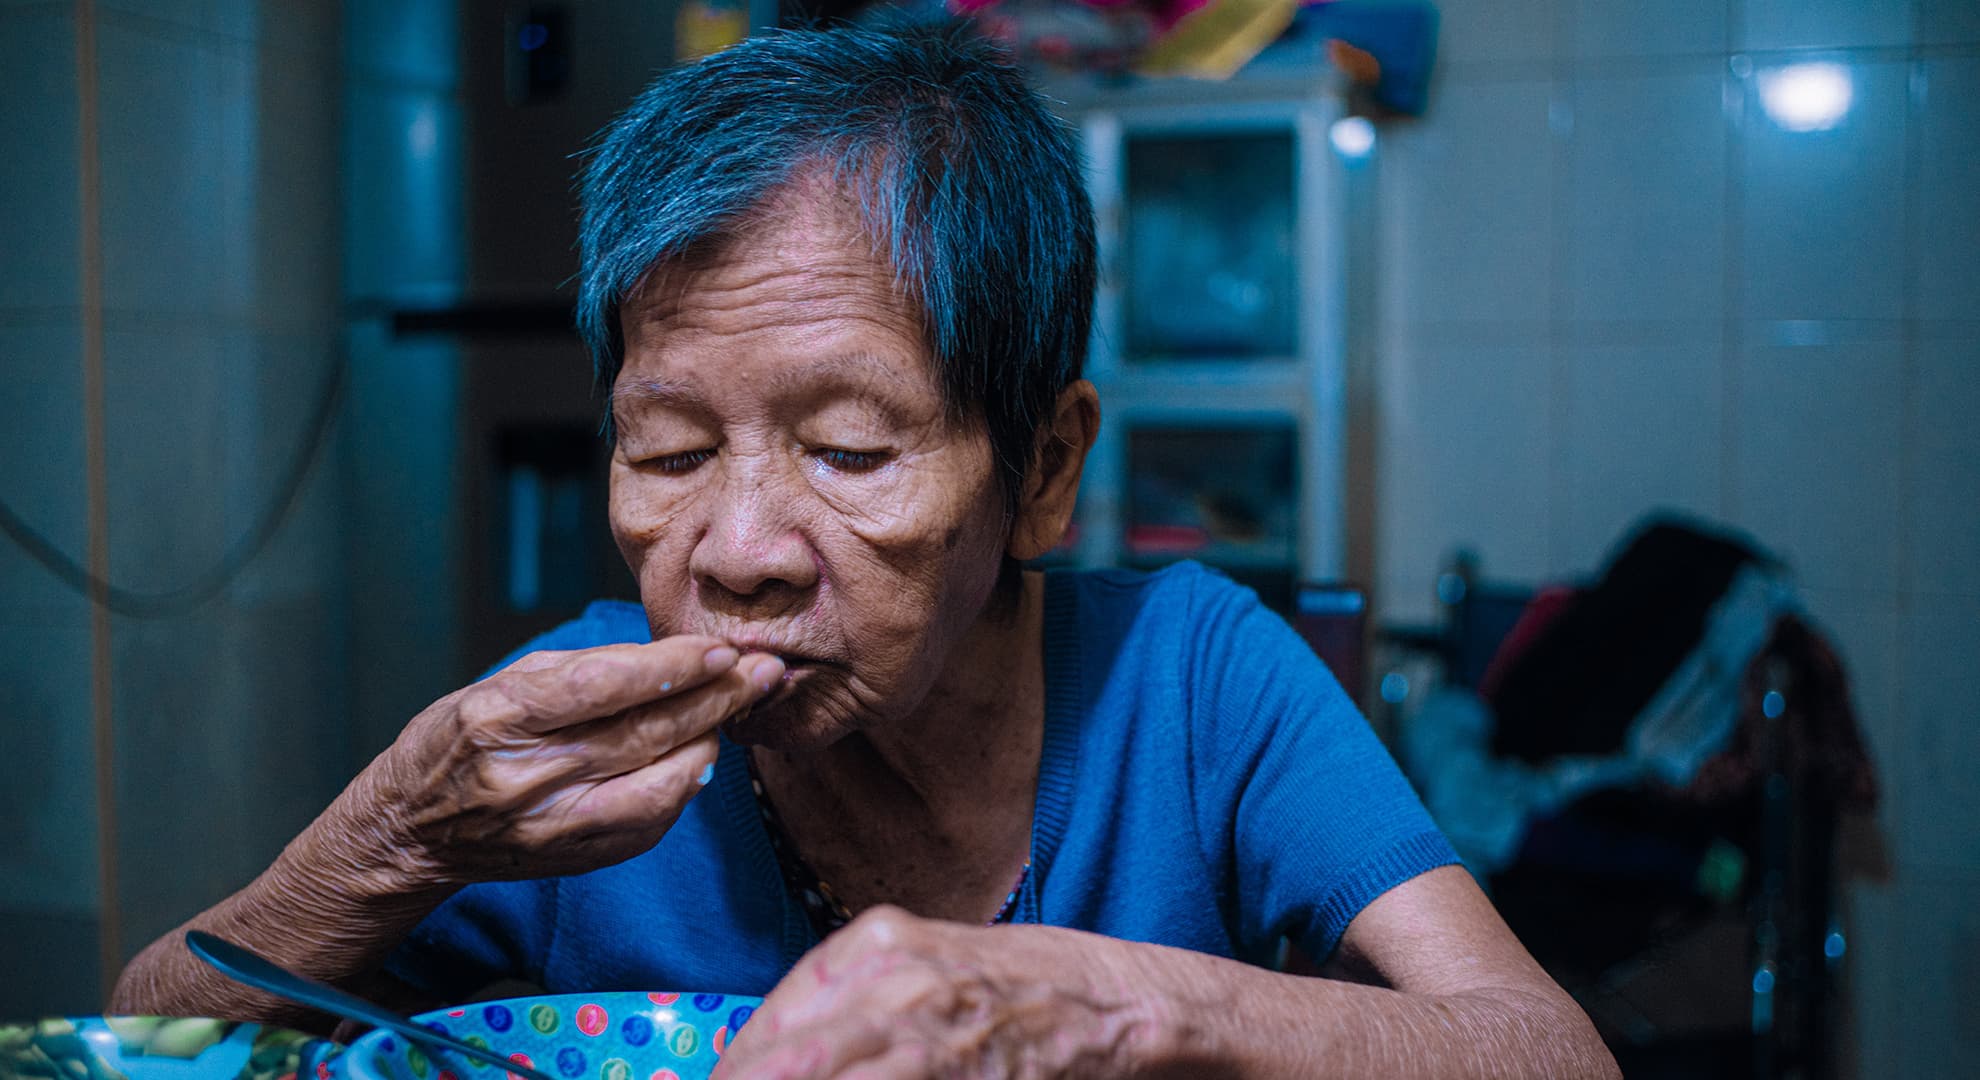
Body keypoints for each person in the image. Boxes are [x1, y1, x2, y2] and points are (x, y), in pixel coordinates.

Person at [114, 21, 1618, 1078]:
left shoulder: (1194, 681)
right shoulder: (569, 737)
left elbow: (1544, 1051)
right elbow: (143, 1045)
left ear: (1042, 470)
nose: (741, 549)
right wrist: (384, 848)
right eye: (671, 452)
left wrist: (1088, 1008)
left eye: (848, 451)